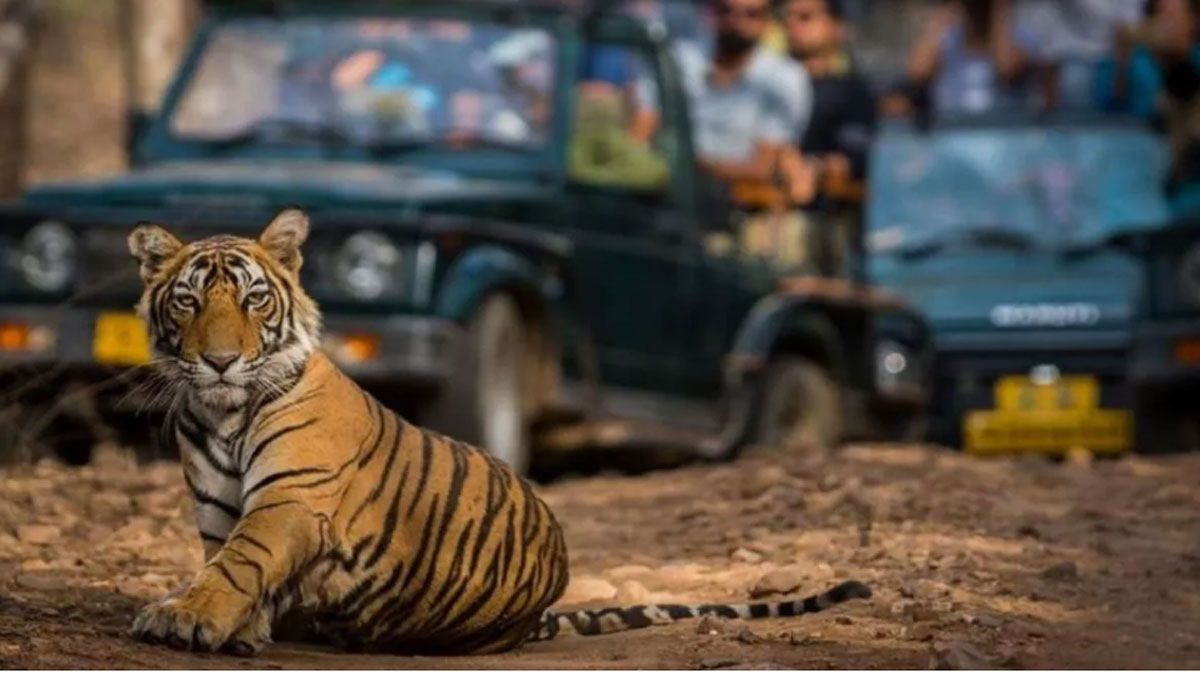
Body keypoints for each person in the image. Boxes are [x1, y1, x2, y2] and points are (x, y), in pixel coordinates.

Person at [674, 0, 813, 199]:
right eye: (726, 10)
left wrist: (691, 166)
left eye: (751, 14)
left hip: (735, 201)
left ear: (768, 22)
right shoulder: (679, 58)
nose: (736, 21)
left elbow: (762, 167)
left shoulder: (785, 78)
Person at [1102, 0, 1200, 216]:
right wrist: (1122, 60)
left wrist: (1180, 57)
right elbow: (1106, 108)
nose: (1170, 24)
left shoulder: (1195, 59)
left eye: (1178, 15)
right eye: (1163, 14)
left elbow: (1186, 94)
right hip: (1132, 168)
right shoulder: (1133, 59)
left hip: (1188, 182)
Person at [780, 0, 875, 205]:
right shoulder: (765, 84)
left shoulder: (851, 92)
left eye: (805, 17)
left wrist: (813, 168)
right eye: (786, 18)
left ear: (836, 27)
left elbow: (851, 159)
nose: (792, 25)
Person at [906, 0, 1037, 117]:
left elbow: (1008, 70)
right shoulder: (946, 38)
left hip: (1003, 128)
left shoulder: (1020, 37)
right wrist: (945, 14)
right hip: (951, 128)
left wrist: (999, 11)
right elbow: (917, 74)